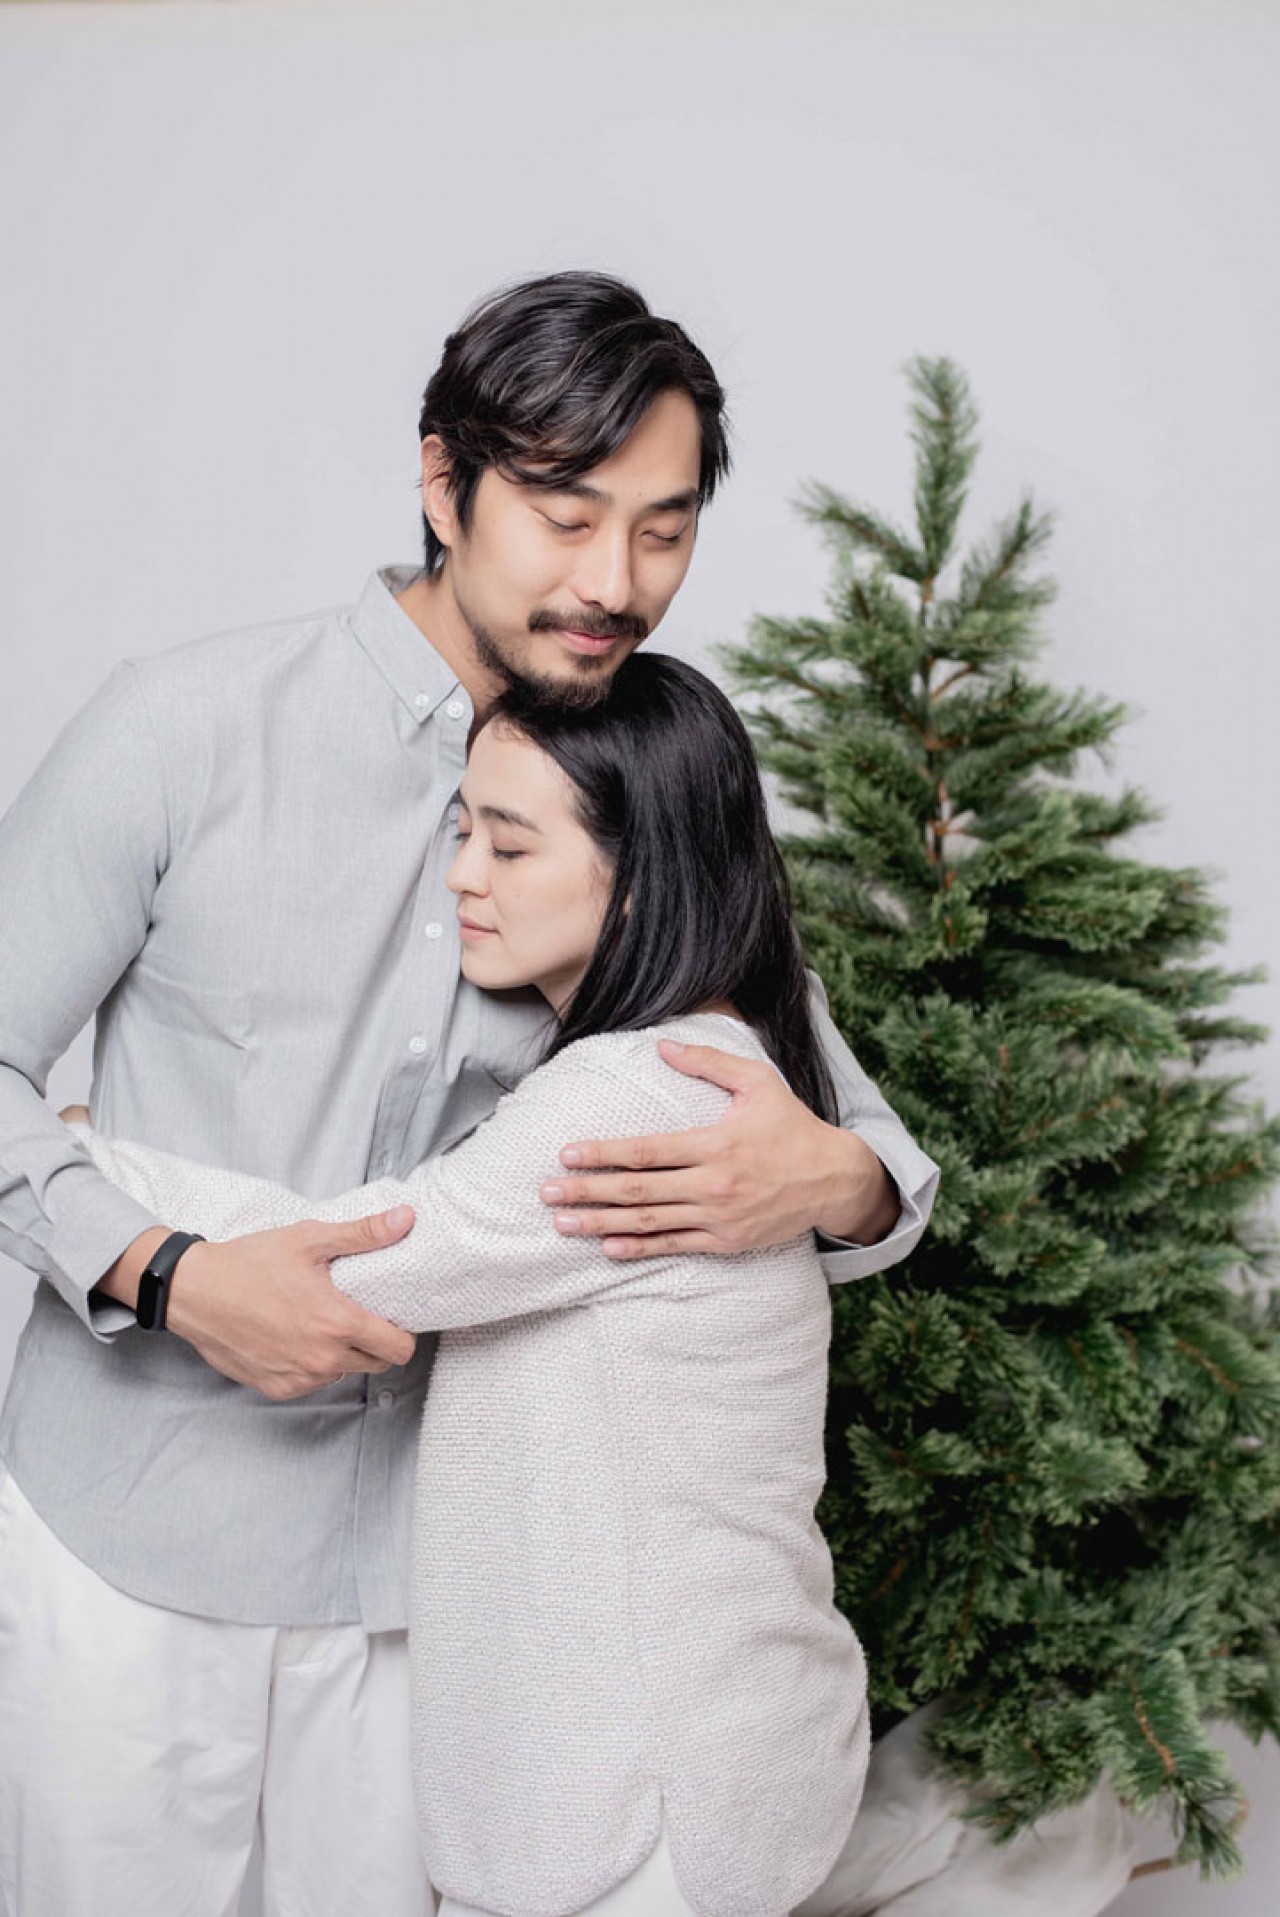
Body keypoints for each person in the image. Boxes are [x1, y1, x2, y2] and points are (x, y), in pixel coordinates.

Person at [0, 271, 938, 1916]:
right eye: (567, 518)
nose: (615, 582)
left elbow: (864, 1159)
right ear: (445, 484)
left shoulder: (648, 793)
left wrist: (829, 1183)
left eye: (664, 529)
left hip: (436, 1608)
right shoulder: (184, 726)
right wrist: (162, 1271)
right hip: (131, 1541)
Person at [69, 652, 873, 1917]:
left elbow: (352, 1254)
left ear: (636, 877)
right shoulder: (712, 1053)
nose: (460, 878)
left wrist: (87, 1156)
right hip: (710, 1751)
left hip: (654, 1789)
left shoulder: (636, 1093)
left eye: (507, 846)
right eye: (460, 833)